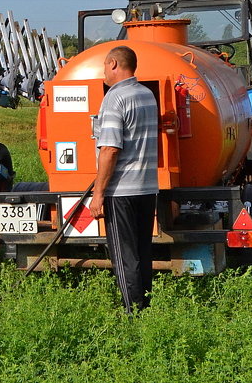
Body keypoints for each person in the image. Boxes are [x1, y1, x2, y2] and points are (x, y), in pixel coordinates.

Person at [88, 45, 159, 313]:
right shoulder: (146, 95)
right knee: (142, 251)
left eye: (105, 66)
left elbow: (109, 149)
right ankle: (145, 308)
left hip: (122, 191)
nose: (104, 72)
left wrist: (98, 193)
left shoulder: (115, 98)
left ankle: (132, 314)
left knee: (123, 256)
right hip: (147, 187)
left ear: (115, 64)